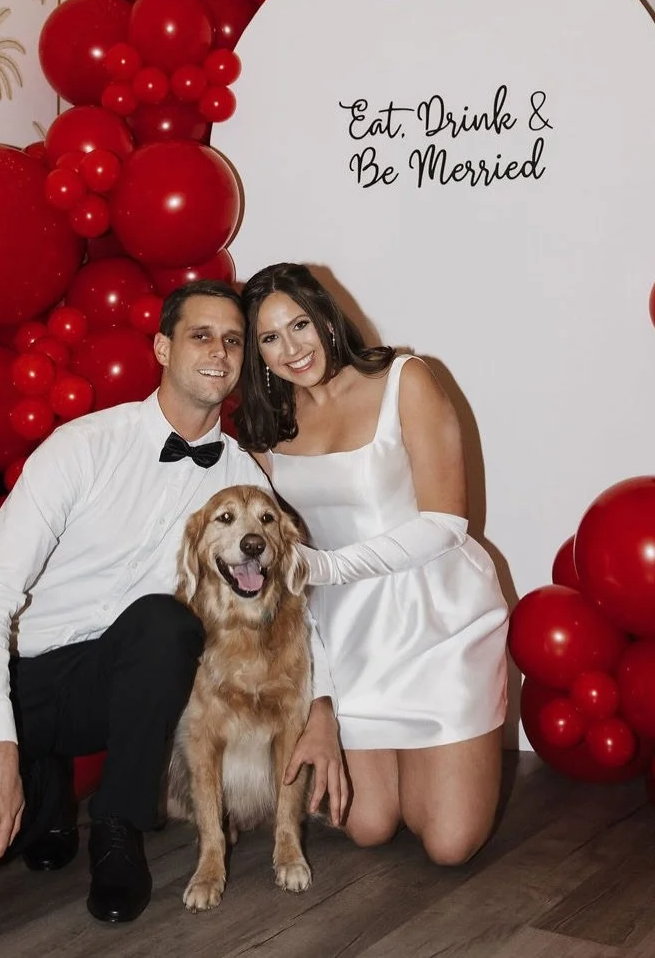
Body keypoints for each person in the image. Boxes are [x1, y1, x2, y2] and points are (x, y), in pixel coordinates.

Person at [0, 280, 347, 927]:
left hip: (115, 679)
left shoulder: (241, 481)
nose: (219, 351)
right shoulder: (83, 447)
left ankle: (117, 828)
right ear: (162, 345)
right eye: (201, 335)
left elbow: (292, 593)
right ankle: (46, 790)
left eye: (233, 340)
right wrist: (0, 751)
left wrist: (321, 707)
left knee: (166, 624)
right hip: (19, 672)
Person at [235, 263, 509, 867]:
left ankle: (454, 749)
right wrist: (313, 697)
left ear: (328, 317)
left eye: (300, 324)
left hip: (437, 616)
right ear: (257, 354)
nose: (292, 349)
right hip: (346, 632)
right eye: (270, 339)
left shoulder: (406, 379)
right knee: (368, 826)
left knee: (449, 844)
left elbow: (444, 524)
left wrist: (326, 569)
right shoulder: (267, 430)